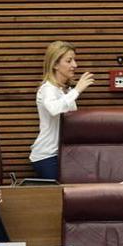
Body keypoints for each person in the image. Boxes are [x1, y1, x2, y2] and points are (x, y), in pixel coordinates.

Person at [30, 40, 95, 179]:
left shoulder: (65, 90)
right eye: (69, 61)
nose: (75, 65)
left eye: (74, 60)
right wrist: (77, 90)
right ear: (55, 65)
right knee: (57, 197)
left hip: (65, 153)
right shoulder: (47, 89)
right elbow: (55, 109)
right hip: (47, 156)